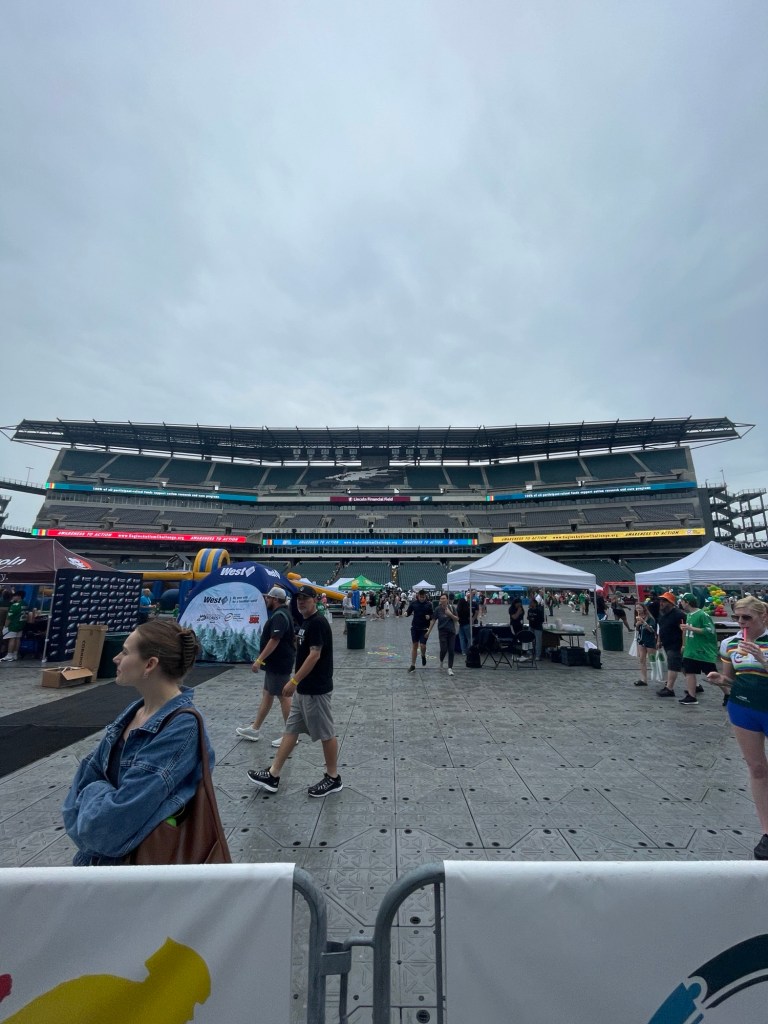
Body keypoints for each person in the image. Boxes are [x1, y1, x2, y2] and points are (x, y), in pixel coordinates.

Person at [61, 620, 213, 866]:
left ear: (150, 664)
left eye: (125, 652)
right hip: (94, 863)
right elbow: (77, 796)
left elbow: (109, 828)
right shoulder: (134, 711)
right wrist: (98, 805)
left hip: (138, 871)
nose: (116, 658)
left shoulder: (182, 728)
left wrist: (92, 795)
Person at [247, 585, 341, 798]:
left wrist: (293, 681)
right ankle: (273, 774)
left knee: (326, 733)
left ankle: (333, 777)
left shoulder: (317, 623)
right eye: (298, 598)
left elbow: (315, 655)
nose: (301, 602)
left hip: (316, 688)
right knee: (290, 730)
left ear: (315, 600)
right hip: (303, 690)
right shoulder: (305, 622)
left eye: (305, 598)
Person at [706, 597, 768, 859]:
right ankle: (767, 832)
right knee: (757, 768)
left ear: (763, 617)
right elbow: (730, 679)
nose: (741, 622)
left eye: (747, 618)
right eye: (737, 617)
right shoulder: (730, 643)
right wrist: (720, 680)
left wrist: (762, 658)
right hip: (743, 708)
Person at [236, 586, 296, 746]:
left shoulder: (279, 616)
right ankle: (255, 729)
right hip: (276, 663)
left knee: (284, 696)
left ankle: (291, 735)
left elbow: (275, 639)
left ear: (275, 599)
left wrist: (259, 660)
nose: (266, 600)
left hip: (278, 663)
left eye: (268, 598)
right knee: (268, 694)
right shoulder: (282, 613)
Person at [678, 593, 717, 706]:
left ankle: (727, 693)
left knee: (712, 674)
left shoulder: (702, 615)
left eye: (682, 601)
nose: (681, 603)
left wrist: (690, 628)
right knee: (689, 671)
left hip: (701, 650)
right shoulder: (689, 615)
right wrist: (684, 645)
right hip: (691, 650)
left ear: (687, 602)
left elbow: (709, 631)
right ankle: (691, 696)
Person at [656, 592, 686, 698]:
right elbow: (661, 628)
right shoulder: (662, 614)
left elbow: (684, 631)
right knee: (682, 666)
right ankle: (696, 685)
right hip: (667, 644)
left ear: (671, 603)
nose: (661, 603)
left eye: (664, 601)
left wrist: (684, 645)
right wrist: (659, 641)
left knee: (672, 666)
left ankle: (669, 688)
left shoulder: (679, 615)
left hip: (676, 644)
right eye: (661, 600)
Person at [427, 593, 459, 676]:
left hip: (451, 632)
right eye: (441, 598)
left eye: (444, 598)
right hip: (442, 632)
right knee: (443, 649)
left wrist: (450, 614)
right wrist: (429, 631)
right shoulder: (438, 609)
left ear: (447, 599)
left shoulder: (452, 608)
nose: (442, 600)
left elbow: (457, 619)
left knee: (451, 650)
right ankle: (441, 661)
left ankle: (450, 668)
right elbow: (433, 620)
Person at [405, 589, 434, 672]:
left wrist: (429, 616)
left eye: (423, 597)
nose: (422, 599)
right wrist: (406, 614)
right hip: (415, 628)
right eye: (421, 597)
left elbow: (432, 615)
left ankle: (423, 655)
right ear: (418, 596)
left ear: (425, 596)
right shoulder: (413, 603)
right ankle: (413, 665)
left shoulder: (429, 604)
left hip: (424, 628)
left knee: (422, 645)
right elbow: (408, 611)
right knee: (415, 645)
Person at [633, 603, 657, 687]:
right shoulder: (637, 617)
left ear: (644, 608)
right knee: (642, 660)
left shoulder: (650, 618)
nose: (638, 610)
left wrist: (643, 622)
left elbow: (652, 630)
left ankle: (663, 677)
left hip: (649, 641)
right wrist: (637, 625)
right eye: (637, 608)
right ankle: (643, 679)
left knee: (653, 660)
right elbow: (638, 630)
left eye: (639, 608)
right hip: (641, 640)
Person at [1, 591, 28, 663]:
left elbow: (9, 617)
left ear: (19, 596)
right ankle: (15, 654)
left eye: (14, 596)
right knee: (17, 639)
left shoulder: (15, 605)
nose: (13, 597)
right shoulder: (25, 604)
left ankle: (9, 655)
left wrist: (5, 626)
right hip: (21, 624)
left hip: (13, 625)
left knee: (12, 639)